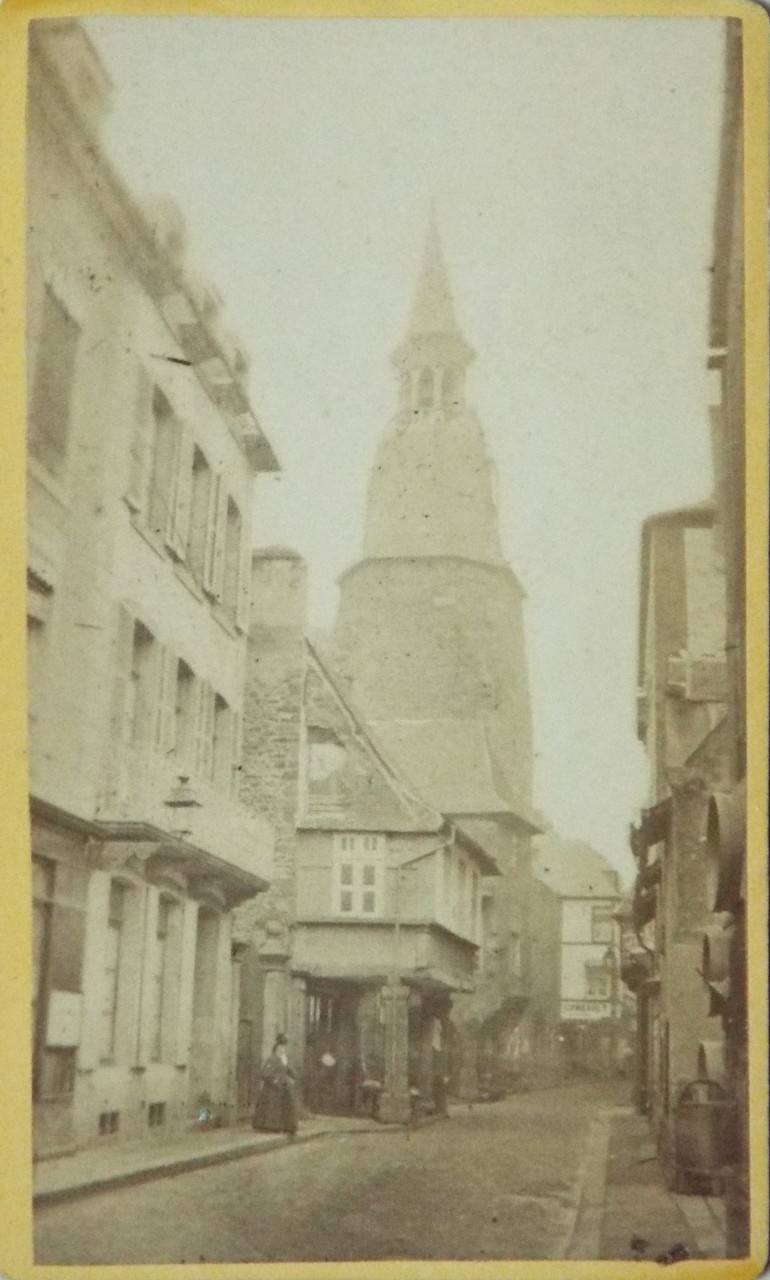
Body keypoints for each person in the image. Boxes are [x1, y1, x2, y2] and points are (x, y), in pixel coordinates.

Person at [252, 1033, 298, 1136]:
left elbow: (293, 1074)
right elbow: (265, 1074)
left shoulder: (285, 1059)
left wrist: (288, 1068)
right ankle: (270, 1126)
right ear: (276, 1047)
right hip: (273, 1088)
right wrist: (275, 1080)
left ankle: (286, 1126)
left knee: (287, 1103)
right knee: (273, 1104)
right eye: (281, 1046)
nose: (283, 1049)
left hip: (284, 1087)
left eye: (284, 1047)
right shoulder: (272, 1059)